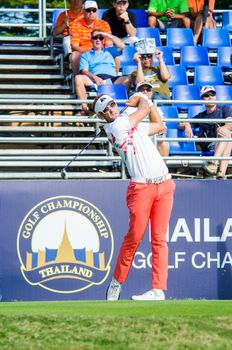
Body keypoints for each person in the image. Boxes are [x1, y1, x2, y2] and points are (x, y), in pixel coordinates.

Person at [91, 93, 175, 301]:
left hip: (164, 184)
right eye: (106, 109)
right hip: (141, 188)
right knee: (134, 237)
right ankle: (116, 283)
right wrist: (140, 98)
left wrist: (149, 102)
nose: (112, 109)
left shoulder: (131, 125)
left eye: (112, 104)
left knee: (159, 239)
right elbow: (144, 110)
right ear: (102, 116)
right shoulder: (116, 127)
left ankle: (158, 289)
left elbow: (159, 124)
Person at [179, 85, 232, 179]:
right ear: (202, 99)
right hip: (211, 145)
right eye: (206, 95)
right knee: (227, 136)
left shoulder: (224, 108)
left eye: (212, 94)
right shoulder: (201, 116)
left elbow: (230, 123)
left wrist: (222, 128)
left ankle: (213, 163)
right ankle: (221, 173)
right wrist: (186, 124)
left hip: (223, 141)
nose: (210, 97)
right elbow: (179, 125)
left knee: (225, 133)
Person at [75, 30, 126, 113]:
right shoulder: (86, 55)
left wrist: (105, 34)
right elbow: (84, 70)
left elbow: (122, 45)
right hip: (95, 79)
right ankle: (84, 108)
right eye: (95, 38)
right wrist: (95, 77)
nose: (97, 40)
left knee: (127, 79)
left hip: (111, 78)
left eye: (100, 38)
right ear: (91, 40)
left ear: (103, 40)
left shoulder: (110, 51)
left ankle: (122, 108)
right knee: (78, 78)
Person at [69, 1, 112, 75]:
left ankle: (113, 80)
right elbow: (74, 46)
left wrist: (98, 53)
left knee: (116, 56)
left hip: (101, 52)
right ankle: (77, 79)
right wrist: (89, 54)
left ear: (97, 11)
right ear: (83, 11)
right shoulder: (75, 24)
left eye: (94, 10)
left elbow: (109, 43)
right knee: (74, 55)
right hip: (84, 53)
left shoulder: (104, 24)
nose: (91, 12)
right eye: (88, 10)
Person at [136, 81, 170, 157]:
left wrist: (161, 134)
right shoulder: (131, 109)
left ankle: (162, 168)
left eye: (148, 89)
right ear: (136, 93)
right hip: (137, 138)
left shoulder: (158, 110)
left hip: (152, 138)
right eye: (142, 90)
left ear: (151, 92)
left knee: (164, 143)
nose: (145, 91)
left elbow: (162, 129)